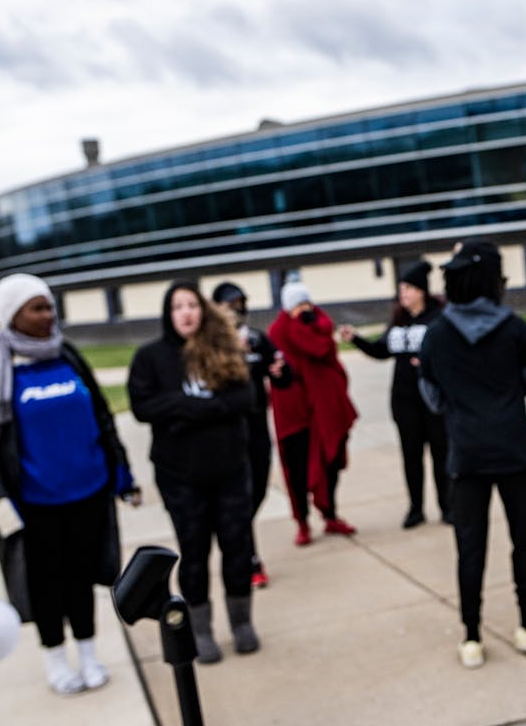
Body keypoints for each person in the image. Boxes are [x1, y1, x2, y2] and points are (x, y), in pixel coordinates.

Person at [0, 273, 140, 696]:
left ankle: (89, 652)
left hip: (89, 491)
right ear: (11, 315)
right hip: (34, 501)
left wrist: (122, 472)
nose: (49, 315)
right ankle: (56, 660)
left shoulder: (68, 355)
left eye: (49, 306)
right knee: (45, 584)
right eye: (37, 308)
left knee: (82, 576)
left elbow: (101, 414)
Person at [417, 239, 526, 669]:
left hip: (465, 454)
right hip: (515, 449)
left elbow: (432, 397)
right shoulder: (513, 327)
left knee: (469, 547)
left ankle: (471, 638)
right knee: (524, 539)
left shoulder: (437, 334)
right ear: (492, 280)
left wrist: (466, 406)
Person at [128, 281, 258, 663]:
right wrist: (202, 407)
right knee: (194, 552)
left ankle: (241, 622)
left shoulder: (223, 348)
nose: (186, 312)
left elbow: (244, 399)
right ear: (168, 314)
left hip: (230, 469)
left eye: (192, 305)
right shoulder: (151, 357)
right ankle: (201, 630)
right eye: (177, 306)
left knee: (238, 548)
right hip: (180, 477)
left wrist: (188, 411)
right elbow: (143, 406)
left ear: (203, 310)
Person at [336, 260, 451, 529]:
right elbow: (381, 350)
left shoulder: (438, 318)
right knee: (411, 456)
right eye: (401, 289)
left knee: (440, 454)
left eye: (408, 288)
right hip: (404, 400)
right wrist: (356, 338)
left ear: (421, 291)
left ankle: (448, 506)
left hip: (433, 400)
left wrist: (428, 363)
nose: (403, 294)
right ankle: (416, 508)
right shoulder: (398, 320)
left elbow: (449, 352)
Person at [210, 281, 291, 588]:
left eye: (241, 302)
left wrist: (281, 371)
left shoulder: (256, 338)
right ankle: (250, 559)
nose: (237, 308)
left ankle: (237, 535)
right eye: (231, 304)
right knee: (239, 499)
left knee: (255, 492)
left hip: (257, 430)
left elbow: (283, 373)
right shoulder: (213, 345)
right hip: (229, 434)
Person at [267, 281, 358, 546]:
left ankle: (330, 515)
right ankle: (302, 522)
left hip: (325, 410)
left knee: (330, 463)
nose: (303, 309)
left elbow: (327, 354)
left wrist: (310, 324)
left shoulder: (320, 323)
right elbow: (279, 374)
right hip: (296, 414)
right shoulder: (278, 332)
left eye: (305, 303)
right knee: (297, 470)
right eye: (296, 305)